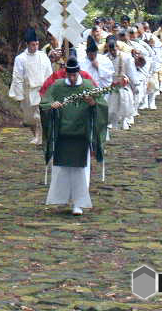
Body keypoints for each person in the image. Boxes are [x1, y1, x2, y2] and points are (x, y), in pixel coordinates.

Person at [40, 57, 108, 215]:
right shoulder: (57, 86)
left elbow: (102, 105)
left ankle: (78, 203)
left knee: (80, 171)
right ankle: (62, 198)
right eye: (68, 75)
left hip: (81, 134)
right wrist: (51, 106)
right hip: (63, 134)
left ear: (78, 72)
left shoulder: (88, 85)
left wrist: (92, 103)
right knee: (62, 169)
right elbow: (44, 102)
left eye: (74, 75)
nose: (71, 78)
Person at [9, 27, 53, 145]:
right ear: (27, 44)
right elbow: (17, 76)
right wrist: (18, 94)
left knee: (41, 114)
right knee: (30, 118)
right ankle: (36, 136)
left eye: (37, 44)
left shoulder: (43, 56)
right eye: (33, 45)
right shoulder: (20, 59)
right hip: (28, 90)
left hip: (42, 89)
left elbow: (49, 72)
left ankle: (43, 138)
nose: (35, 47)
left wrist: (51, 87)